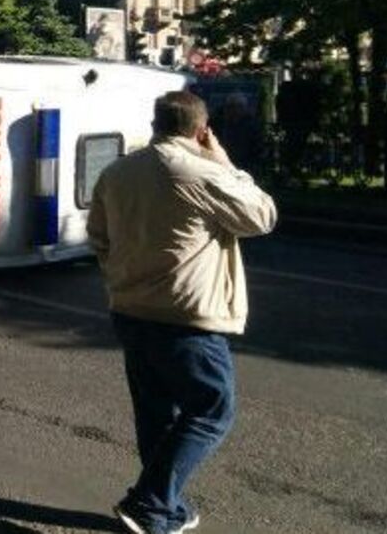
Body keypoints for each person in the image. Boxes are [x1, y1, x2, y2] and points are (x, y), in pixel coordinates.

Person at [87, 90, 276, 534]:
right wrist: (223, 162)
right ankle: (149, 504)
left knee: (156, 414)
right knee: (213, 408)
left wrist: (124, 277)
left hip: (130, 311)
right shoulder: (197, 171)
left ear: (154, 124)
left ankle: (165, 511)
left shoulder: (117, 171)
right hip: (186, 317)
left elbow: (98, 237)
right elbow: (262, 216)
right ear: (201, 130)